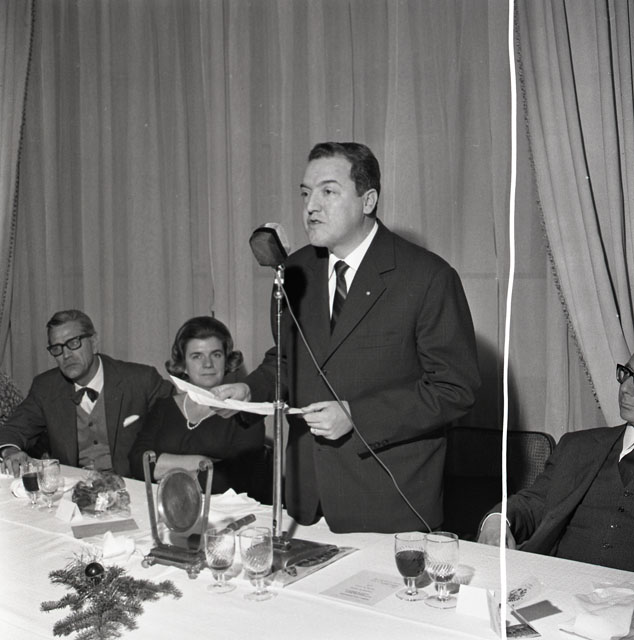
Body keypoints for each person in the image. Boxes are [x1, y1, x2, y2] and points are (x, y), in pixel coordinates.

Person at [214, 141, 480, 533]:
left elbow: (455, 388)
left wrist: (357, 415)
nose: (311, 207)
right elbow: (288, 359)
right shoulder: (293, 271)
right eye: (306, 193)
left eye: (328, 192)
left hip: (389, 506)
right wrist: (249, 391)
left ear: (367, 200)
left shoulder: (428, 277)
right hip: (305, 500)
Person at [477, 353, 634, 571]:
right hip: (556, 581)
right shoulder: (579, 446)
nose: (625, 388)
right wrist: (497, 520)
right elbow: (535, 502)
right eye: (627, 374)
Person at [0, 309, 174, 477]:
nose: (66, 355)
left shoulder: (141, 380)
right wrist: (10, 451)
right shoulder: (45, 387)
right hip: (73, 488)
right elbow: (13, 429)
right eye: (57, 348)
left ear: (94, 342)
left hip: (132, 486)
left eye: (73, 343)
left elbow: (180, 417)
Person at [128, 316, 267, 498]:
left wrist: (165, 468)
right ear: (183, 365)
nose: (208, 364)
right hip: (165, 504)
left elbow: (239, 479)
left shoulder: (245, 412)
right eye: (197, 356)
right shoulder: (164, 407)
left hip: (222, 509)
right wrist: (200, 462)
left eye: (216, 355)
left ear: (226, 361)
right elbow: (138, 462)